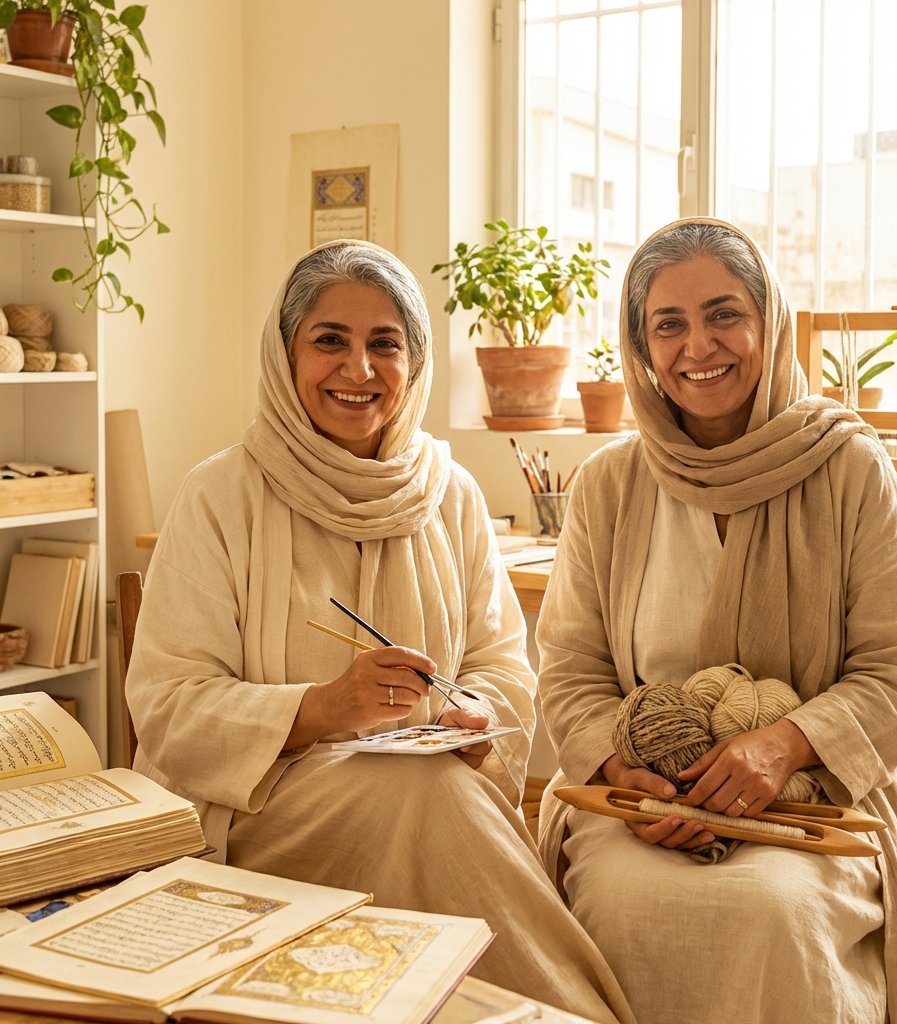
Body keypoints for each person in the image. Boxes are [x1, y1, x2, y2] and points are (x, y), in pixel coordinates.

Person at [125, 239, 636, 1024]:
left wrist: (475, 719)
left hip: (432, 793)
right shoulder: (219, 495)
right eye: (329, 339)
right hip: (257, 816)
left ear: (415, 362)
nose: (358, 369)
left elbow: (503, 664)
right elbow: (168, 705)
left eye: (385, 345)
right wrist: (322, 709)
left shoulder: (451, 494)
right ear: (286, 354)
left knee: (427, 791)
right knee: (422, 797)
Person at [535, 218, 897, 1024]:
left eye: (724, 314)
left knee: (773, 912)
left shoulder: (850, 468)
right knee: (623, 908)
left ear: (770, 322)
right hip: (642, 800)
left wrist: (782, 746)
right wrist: (623, 772)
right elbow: (570, 668)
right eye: (669, 324)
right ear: (641, 347)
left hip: (821, 789)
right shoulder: (607, 484)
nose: (699, 346)